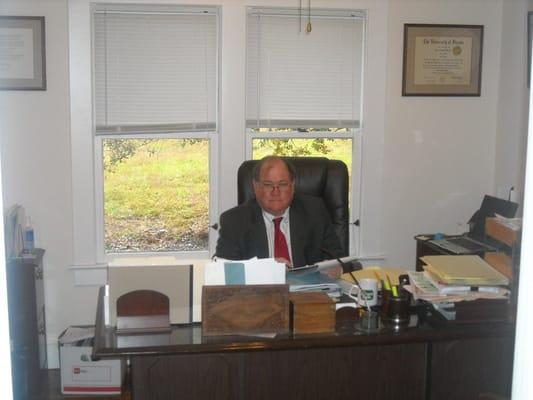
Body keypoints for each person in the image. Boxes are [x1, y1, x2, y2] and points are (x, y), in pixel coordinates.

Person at [215, 155, 344, 277]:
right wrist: (266, 269)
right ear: (255, 186)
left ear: (292, 186)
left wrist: (337, 268)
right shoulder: (234, 221)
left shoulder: (315, 212)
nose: (275, 192)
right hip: (260, 296)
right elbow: (224, 272)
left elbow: (342, 260)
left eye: (282, 184)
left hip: (308, 296)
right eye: (268, 185)